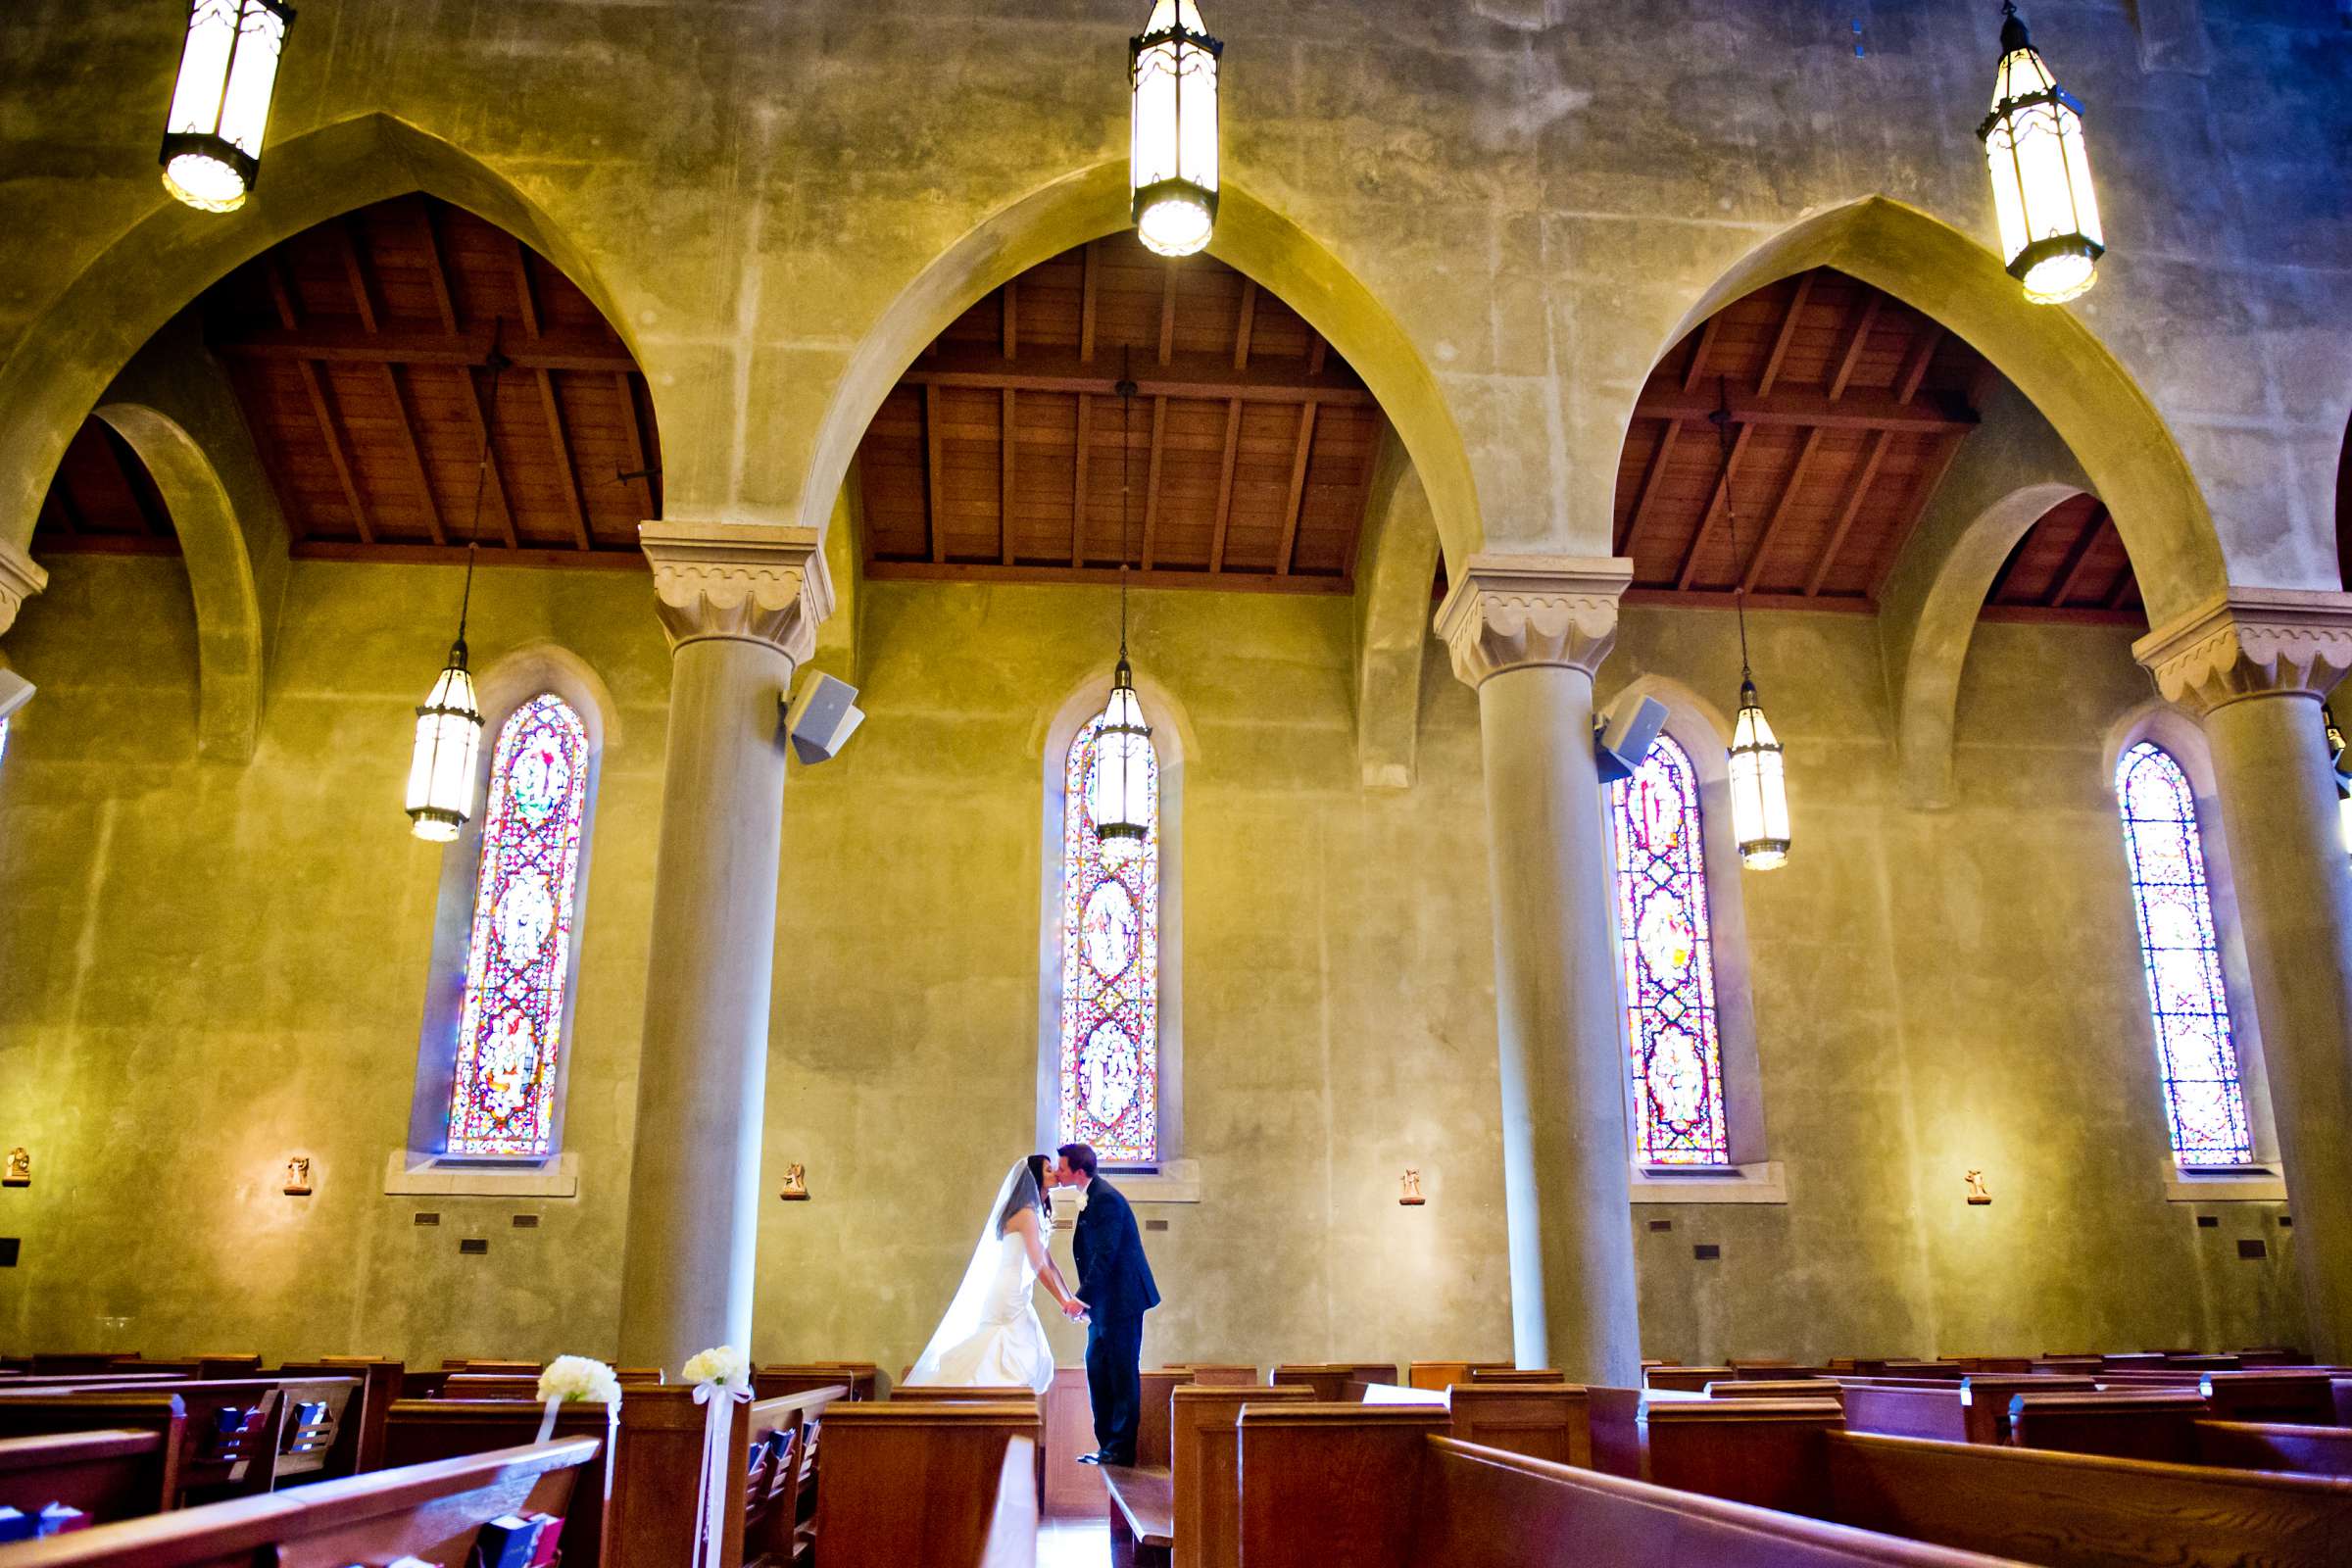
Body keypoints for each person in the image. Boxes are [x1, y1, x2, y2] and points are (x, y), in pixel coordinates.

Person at [906, 1153, 1086, 1395]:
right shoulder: (1025, 1214)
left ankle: (1003, 1414)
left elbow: (1051, 1264)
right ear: (1033, 1178)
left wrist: (1072, 1299)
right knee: (1013, 1356)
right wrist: (1064, 1303)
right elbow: (1037, 1266)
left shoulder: (1037, 1213)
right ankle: (977, 1404)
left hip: (1019, 1292)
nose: (1054, 1173)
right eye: (1047, 1170)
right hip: (1008, 1292)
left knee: (1025, 1355)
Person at [1056, 1141, 1160, 1466]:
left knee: (1121, 1371)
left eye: (1062, 1168)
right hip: (1105, 1304)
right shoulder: (1092, 1197)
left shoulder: (1105, 1200)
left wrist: (1080, 1299)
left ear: (1079, 1170)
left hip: (1123, 1301)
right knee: (1097, 1368)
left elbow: (1106, 1255)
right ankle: (1107, 1445)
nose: (1058, 1173)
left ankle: (1121, 1448)